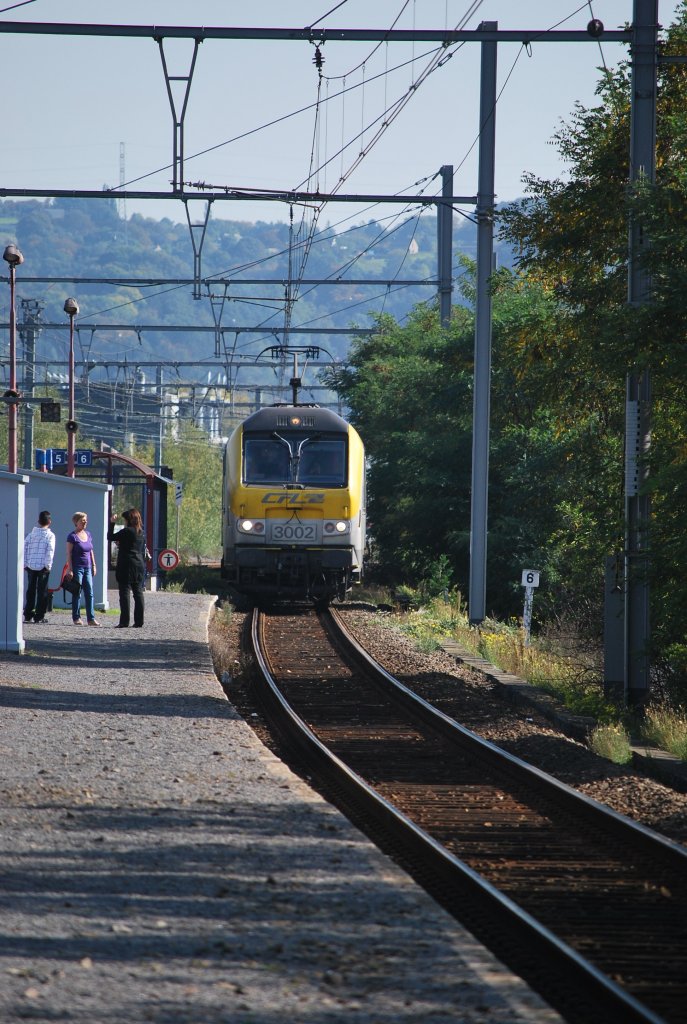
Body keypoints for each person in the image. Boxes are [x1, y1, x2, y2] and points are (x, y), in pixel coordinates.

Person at [108, 508, 146, 628]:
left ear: (128, 520)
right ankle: (139, 621)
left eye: (125, 520)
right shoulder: (141, 532)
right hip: (139, 564)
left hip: (126, 564)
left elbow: (110, 537)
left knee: (124, 593)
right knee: (138, 593)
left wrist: (112, 523)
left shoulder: (127, 531)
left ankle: (124, 621)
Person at [66, 511, 100, 626]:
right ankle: (76, 617)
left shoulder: (88, 534)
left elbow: (91, 551)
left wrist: (94, 565)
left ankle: (91, 618)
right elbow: (69, 554)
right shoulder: (72, 536)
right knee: (77, 592)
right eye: (82, 520)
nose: (85, 522)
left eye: (86, 520)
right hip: (77, 568)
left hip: (88, 567)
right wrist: (70, 569)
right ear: (76, 522)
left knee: (89, 593)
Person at [23, 510, 55, 624]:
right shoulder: (50, 536)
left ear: (38, 521)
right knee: (42, 592)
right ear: (49, 521)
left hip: (31, 565)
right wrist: (48, 565)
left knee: (30, 590)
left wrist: (25, 564)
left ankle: (28, 614)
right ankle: (39, 615)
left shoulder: (31, 535)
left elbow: (24, 548)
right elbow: (50, 551)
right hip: (43, 567)